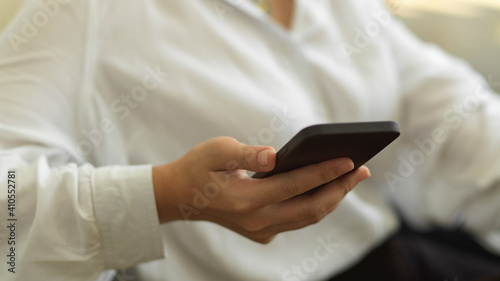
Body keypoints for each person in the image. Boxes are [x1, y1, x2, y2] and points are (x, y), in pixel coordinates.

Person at [0, 0, 499, 280]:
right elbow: (6, 210)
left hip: (389, 258)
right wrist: (167, 195)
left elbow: (456, 118)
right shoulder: (81, 13)